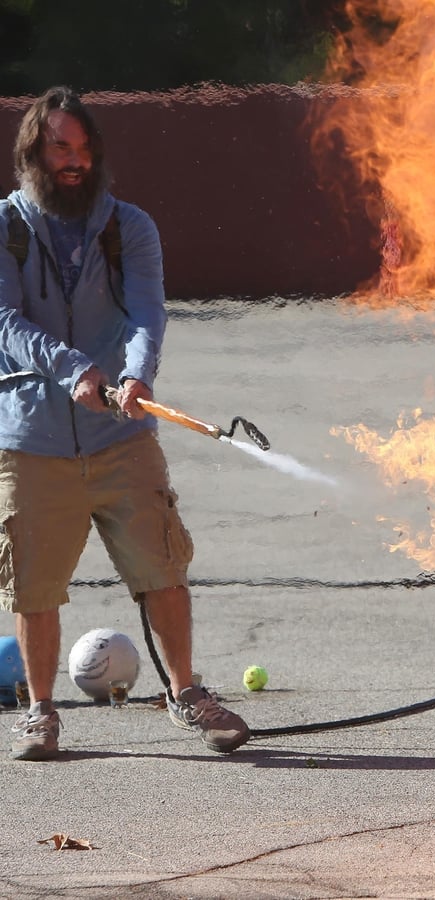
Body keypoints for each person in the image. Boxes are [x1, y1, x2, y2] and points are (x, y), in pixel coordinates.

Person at [0, 86, 250, 760]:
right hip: (32, 440)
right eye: (60, 148)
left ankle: (186, 693)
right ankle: (42, 713)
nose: (74, 161)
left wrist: (137, 376)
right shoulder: (6, 227)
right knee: (35, 588)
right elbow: (5, 322)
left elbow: (147, 313)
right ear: (33, 153)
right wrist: (74, 369)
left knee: (163, 569)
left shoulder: (129, 227)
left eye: (83, 149)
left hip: (123, 438)